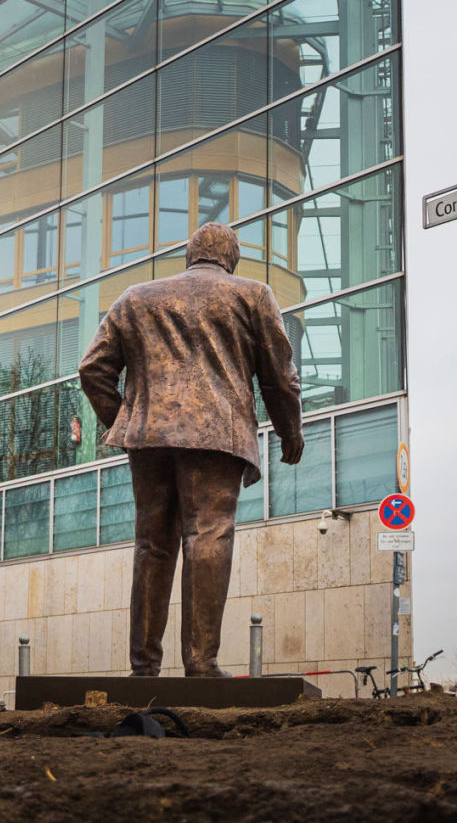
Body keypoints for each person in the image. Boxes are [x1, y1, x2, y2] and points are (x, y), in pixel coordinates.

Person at [78, 222, 302, 677]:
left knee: (152, 546)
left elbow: (93, 370)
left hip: (150, 439)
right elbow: (280, 376)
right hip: (216, 438)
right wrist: (290, 432)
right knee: (208, 537)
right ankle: (201, 664)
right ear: (231, 260)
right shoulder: (252, 295)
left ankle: (143, 666)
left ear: (190, 255)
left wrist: (128, 420)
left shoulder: (135, 298)